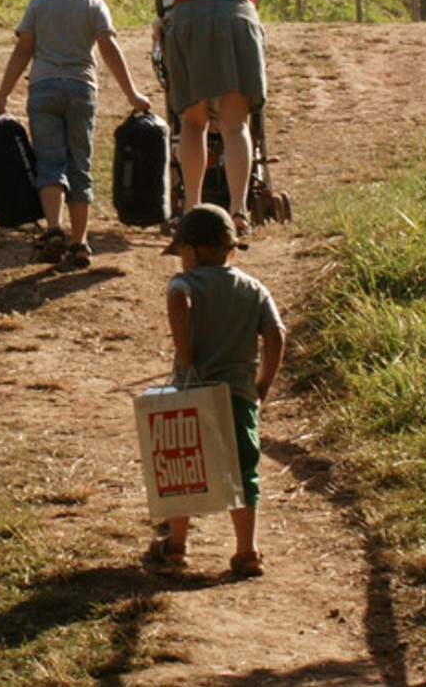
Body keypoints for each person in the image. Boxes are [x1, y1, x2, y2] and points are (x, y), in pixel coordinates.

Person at [0, 0, 151, 269]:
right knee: (80, 164)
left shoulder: (38, 5)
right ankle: (79, 243)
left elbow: (23, 50)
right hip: (82, 91)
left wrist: (3, 95)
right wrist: (132, 94)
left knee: (50, 161)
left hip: (44, 90)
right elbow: (109, 50)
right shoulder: (94, 6)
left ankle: (53, 230)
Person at [143, 203, 285, 579]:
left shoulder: (184, 282)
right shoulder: (254, 288)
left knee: (181, 466)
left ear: (188, 252)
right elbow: (276, 334)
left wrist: (185, 355)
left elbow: (178, 299)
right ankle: (247, 551)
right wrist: (263, 385)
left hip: (192, 391)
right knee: (243, 472)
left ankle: (175, 547)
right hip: (239, 395)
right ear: (232, 251)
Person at [148, 0, 281, 237]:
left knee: (193, 121)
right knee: (237, 124)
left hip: (190, 20)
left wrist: (163, 19)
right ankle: (238, 212)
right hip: (240, 17)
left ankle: (193, 209)